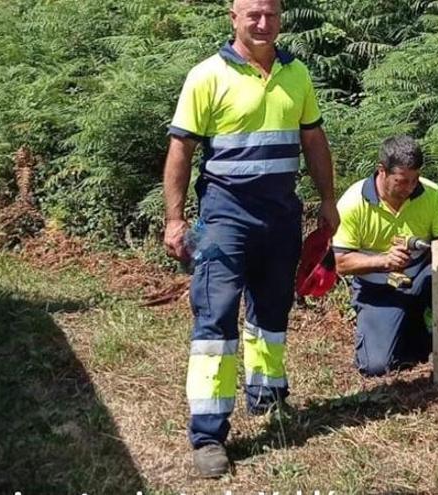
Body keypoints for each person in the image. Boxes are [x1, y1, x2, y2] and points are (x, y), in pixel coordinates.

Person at [162, 0, 339, 477]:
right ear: (233, 18)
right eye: (252, 15)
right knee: (215, 318)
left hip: (281, 215)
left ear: (281, 19)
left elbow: (314, 140)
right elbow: (181, 150)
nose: (263, 24)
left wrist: (327, 200)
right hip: (224, 219)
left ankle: (267, 395)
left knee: (273, 309)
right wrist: (175, 219)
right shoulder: (207, 75)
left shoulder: (296, 73)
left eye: (272, 15)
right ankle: (208, 435)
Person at [332, 136, 438, 377]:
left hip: (421, 277)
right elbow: (340, 263)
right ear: (382, 171)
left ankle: (431, 331)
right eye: (401, 181)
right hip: (376, 288)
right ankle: (407, 331)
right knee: (376, 366)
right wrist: (383, 262)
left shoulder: (432, 195)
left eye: (414, 180)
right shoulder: (353, 202)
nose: (410, 188)